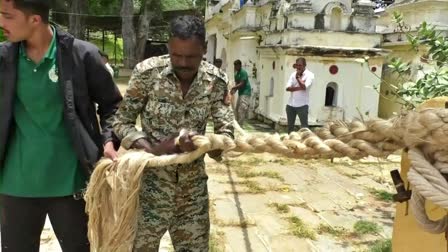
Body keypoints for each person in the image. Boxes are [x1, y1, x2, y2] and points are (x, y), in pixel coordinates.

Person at [0, 0, 122, 251]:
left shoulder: (82, 55)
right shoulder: (3, 59)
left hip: (73, 183)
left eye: (7, 16)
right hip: (15, 186)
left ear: (34, 19)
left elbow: (113, 105)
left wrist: (109, 140)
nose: (1, 23)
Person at [113, 15, 234, 251]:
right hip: (148, 191)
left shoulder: (216, 81)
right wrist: (153, 149)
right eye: (177, 55)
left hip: (192, 196)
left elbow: (226, 134)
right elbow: (121, 122)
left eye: (191, 57)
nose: (183, 63)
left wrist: (208, 144)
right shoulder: (147, 73)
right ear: (169, 47)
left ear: (205, 49)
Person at [285, 57, 314, 133]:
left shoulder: (310, 75)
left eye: (300, 65)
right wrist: (300, 87)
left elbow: (304, 86)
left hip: (302, 105)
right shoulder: (292, 74)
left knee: (304, 128)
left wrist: (298, 77)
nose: (298, 67)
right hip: (290, 105)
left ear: (304, 65)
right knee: (290, 128)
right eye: (297, 65)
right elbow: (287, 88)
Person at [231, 59, 251, 126]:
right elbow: (237, 84)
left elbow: (242, 83)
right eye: (234, 66)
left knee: (241, 110)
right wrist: (233, 91)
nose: (235, 67)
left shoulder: (243, 72)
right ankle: (238, 124)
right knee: (236, 110)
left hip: (246, 93)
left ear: (240, 65)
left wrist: (234, 88)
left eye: (236, 66)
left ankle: (240, 125)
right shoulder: (236, 74)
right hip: (241, 93)